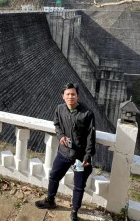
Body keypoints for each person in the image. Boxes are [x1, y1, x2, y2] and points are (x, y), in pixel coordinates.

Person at [35, 83, 96, 221]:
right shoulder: (60, 109)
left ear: (78, 96)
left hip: (80, 157)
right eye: (67, 94)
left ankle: (74, 211)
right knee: (54, 176)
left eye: (73, 94)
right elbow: (56, 124)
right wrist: (61, 136)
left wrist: (87, 156)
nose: (70, 97)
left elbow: (90, 137)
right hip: (63, 153)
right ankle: (50, 200)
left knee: (79, 186)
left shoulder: (87, 113)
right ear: (63, 96)